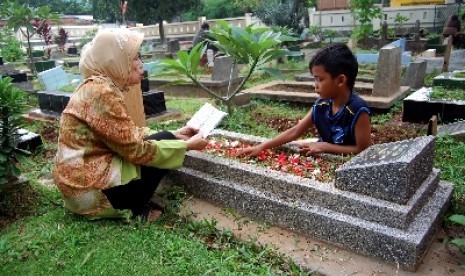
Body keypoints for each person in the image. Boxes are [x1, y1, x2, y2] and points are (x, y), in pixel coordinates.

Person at [52, 29, 209, 221]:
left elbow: (126, 134)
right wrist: (187, 146)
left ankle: (129, 198)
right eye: (134, 58)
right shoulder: (102, 93)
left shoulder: (96, 86)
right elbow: (136, 150)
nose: (140, 65)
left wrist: (175, 134)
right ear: (115, 60)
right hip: (88, 193)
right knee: (161, 146)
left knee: (165, 137)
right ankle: (134, 207)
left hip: (77, 187)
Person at [239, 43, 371, 157]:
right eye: (314, 79)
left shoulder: (357, 110)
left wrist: (325, 146)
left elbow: (363, 150)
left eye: (320, 79)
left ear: (340, 80)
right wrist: (262, 146)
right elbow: (295, 131)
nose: (315, 84)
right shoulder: (321, 105)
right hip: (322, 150)